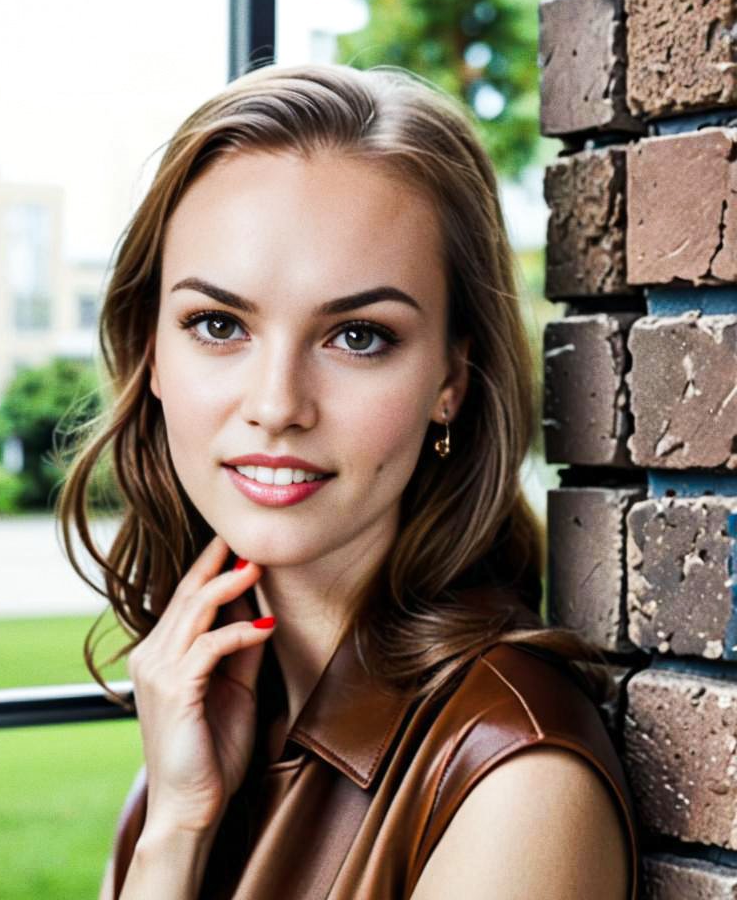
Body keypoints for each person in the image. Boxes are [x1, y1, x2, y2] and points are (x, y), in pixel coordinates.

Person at [57, 62, 639, 900]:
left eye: (358, 336)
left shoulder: (515, 778)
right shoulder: (195, 751)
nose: (276, 404)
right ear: (151, 353)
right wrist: (173, 838)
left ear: (452, 378)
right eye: (218, 325)